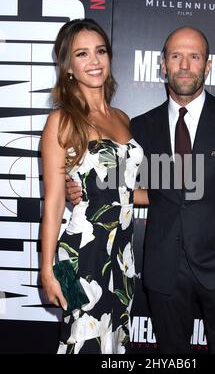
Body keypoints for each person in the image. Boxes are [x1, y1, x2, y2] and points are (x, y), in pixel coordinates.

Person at [67, 26, 215, 354]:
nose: (184, 65)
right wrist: (80, 188)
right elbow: (113, 183)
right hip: (164, 271)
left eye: (194, 57)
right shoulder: (138, 128)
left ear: (207, 66)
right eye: (176, 56)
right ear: (163, 65)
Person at [40, 18, 143, 354]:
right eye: (82, 54)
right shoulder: (62, 120)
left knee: (113, 344)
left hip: (122, 256)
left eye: (100, 51)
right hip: (80, 255)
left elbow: (124, 191)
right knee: (81, 341)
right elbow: (54, 204)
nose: (94, 61)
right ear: (68, 67)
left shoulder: (123, 118)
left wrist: (183, 195)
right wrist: (46, 270)